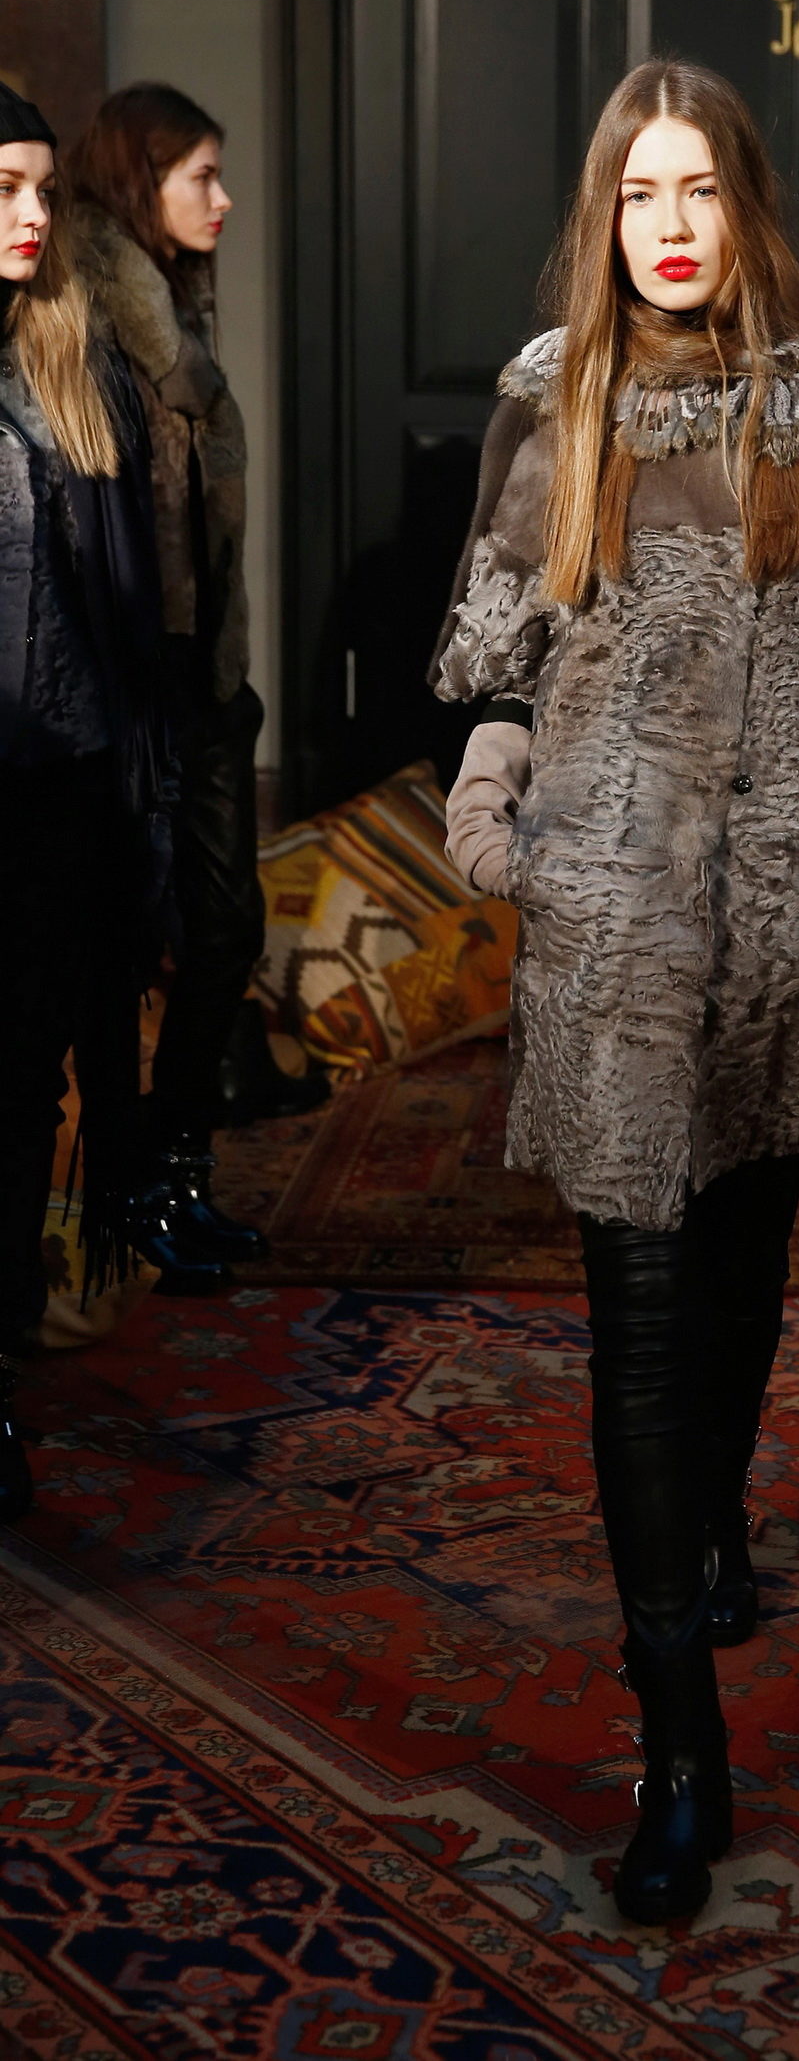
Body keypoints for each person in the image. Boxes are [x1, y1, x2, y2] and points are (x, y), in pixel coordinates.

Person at [433, 60, 799, 1924]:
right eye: (636, 195)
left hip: (784, 933)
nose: (668, 227)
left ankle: (718, 1517)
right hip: (611, 932)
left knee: (744, 1290)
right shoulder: (557, 410)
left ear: (744, 204)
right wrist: (503, 831)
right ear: (603, 219)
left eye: (697, 190)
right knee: (641, 1337)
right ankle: (681, 1745)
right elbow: (496, 667)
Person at [0, 79, 217, 1523]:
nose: (34, 216)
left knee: (25, 1094)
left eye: (40, 189)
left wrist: (140, 799)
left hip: (58, 801)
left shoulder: (77, 372)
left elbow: (126, 622)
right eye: (3, 191)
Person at [67, 84, 326, 1267]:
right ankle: (133, 1196)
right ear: (143, 178)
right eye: (200, 177)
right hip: (130, 683)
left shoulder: (175, 308)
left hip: (201, 676)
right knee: (123, 948)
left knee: (222, 928)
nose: (223, 200)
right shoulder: (93, 321)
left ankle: (175, 1172)